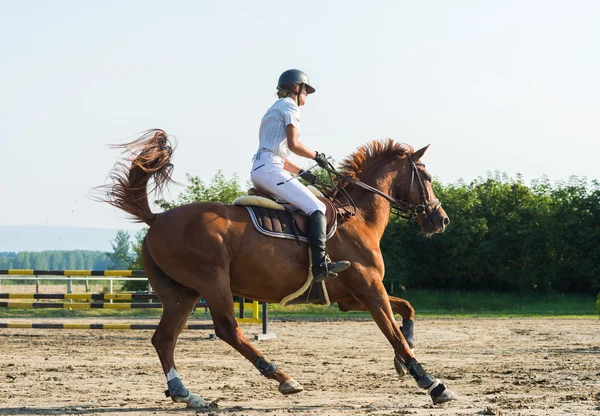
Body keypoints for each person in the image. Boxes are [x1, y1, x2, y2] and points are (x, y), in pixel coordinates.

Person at [250, 69, 351, 283]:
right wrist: (317, 156)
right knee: (318, 207)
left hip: (263, 168)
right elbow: (294, 145)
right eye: (306, 90)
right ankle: (320, 264)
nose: (306, 96)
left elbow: (279, 154)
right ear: (297, 88)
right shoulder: (291, 106)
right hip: (270, 170)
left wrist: (304, 173)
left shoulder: (272, 110)